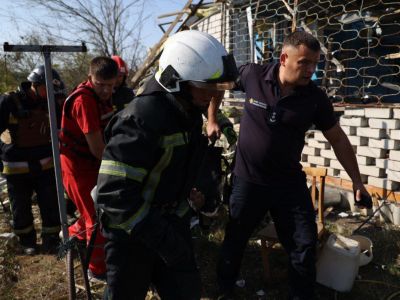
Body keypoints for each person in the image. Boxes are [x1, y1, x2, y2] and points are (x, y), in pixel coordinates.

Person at [216, 30, 372, 300]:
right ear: (284, 58)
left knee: (304, 243)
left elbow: (338, 138)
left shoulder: (314, 98)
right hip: (248, 180)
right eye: (304, 63)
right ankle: (224, 290)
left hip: (288, 184)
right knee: (235, 238)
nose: (311, 70)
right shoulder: (253, 75)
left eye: (315, 63)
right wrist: (211, 119)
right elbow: (218, 84)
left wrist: (357, 182)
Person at [95, 30, 238, 300]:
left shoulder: (186, 111)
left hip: (171, 224)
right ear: (176, 81)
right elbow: (113, 193)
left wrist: (195, 193)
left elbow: (177, 165)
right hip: (130, 235)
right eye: (205, 86)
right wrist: (162, 238)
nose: (211, 95)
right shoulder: (141, 119)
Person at [59, 56, 118, 281]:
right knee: (97, 217)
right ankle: (97, 270)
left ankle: (73, 234)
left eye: (111, 85)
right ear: (90, 77)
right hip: (77, 167)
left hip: (91, 164)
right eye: (101, 84)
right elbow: (97, 149)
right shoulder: (83, 101)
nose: (106, 90)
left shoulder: (106, 97)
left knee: (93, 211)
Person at [0, 65, 65, 255]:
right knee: (20, 206)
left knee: (50, 203)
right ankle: (26, 240)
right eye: (47, 89)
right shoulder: (8, 102)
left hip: (45, 165)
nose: (50, 95)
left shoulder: (51, 103)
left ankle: (52, 239)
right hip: (16, 168)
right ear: (34, 85)